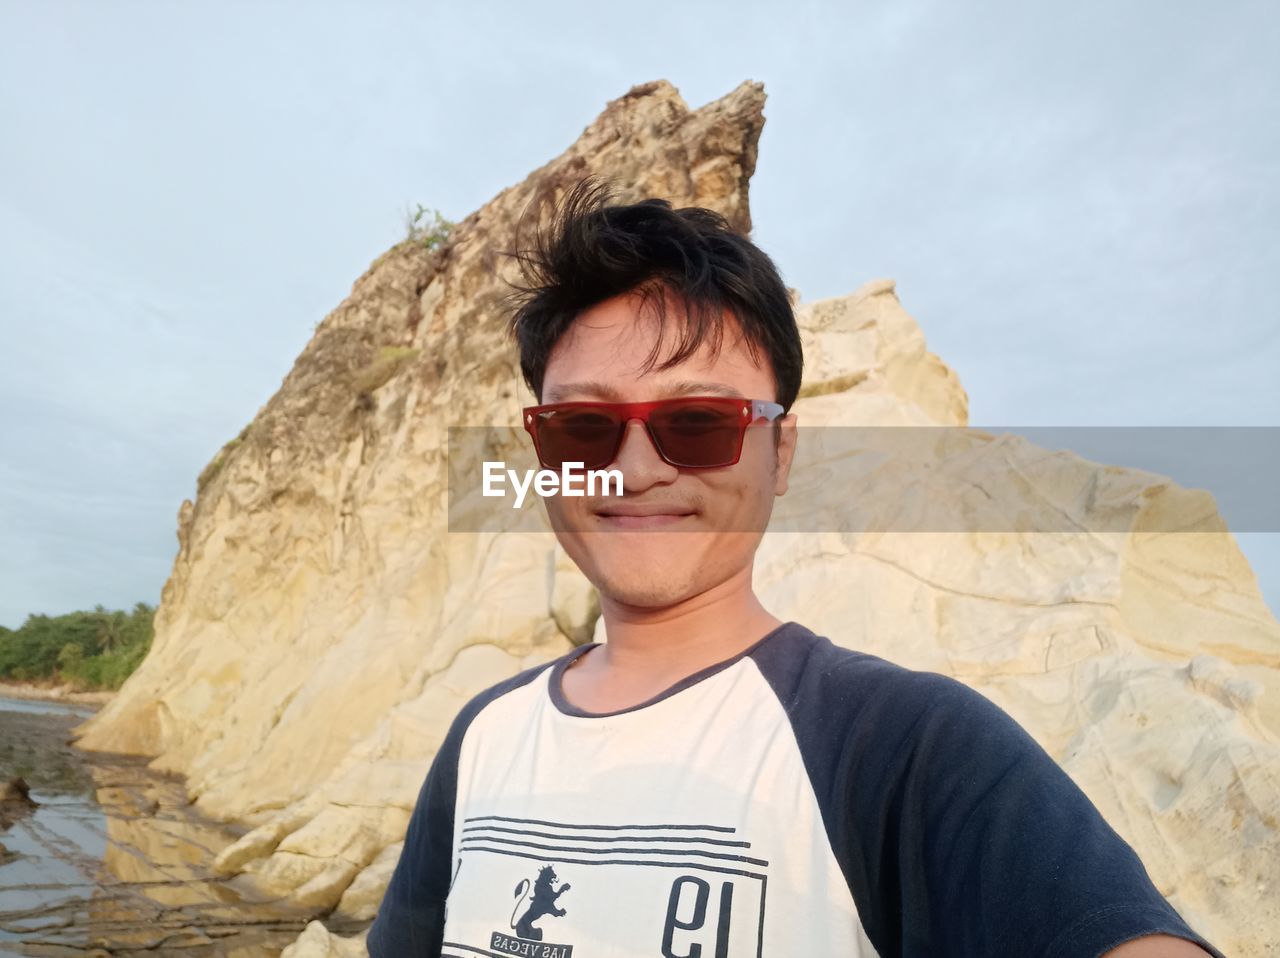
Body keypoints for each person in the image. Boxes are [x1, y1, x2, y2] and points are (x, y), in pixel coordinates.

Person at [366, 177, 1225, 957]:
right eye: (582, 427)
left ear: (779, 452)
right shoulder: (483, 739)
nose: (632, 470)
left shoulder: (908, 750)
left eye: (698, 423)